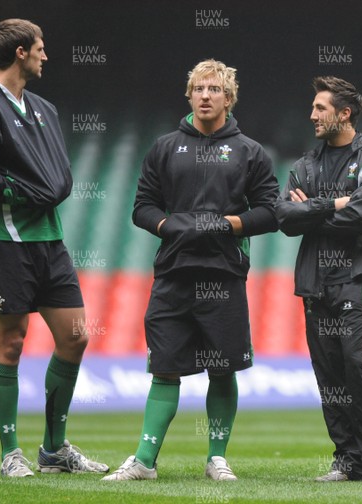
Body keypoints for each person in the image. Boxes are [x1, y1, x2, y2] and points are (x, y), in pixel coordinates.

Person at [103, 59, 279, 482]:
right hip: (173, 273)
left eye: (214, 89)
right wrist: (168, 225)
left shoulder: (250, 151)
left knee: (222, 367)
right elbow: (141, 207)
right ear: (189, 95)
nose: (205, 95)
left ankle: (216, 457)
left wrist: (228, 224)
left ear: (228, 98)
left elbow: (272, 212)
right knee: (164, 367)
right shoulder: (165, 147)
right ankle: (144, 461)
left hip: (223, 274)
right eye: (198, 88)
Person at [0, 18, 109, 477]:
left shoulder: (43, 107)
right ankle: (10, 453)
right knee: (11, 343)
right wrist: (25, 193)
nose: (46, 55)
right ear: (20, 52)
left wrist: (47, 190)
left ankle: (54, 449)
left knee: (76, 336)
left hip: (50, 239)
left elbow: (58, 176)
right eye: (40, 48)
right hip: (4, 240)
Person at [275, 76, 362, 484]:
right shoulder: (305, 165)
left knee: (358, 362)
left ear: (344, 114)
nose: (312, 115)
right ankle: (349, 460)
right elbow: (285, 219)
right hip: (316, 279)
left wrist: (312, 208)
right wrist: (333, 203)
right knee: (329, 372)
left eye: (320, 108)